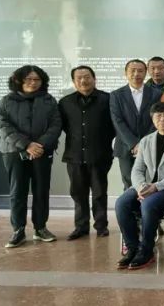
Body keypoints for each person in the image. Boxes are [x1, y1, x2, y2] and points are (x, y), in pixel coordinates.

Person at [114, 102, 164, 270]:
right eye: (158, 116)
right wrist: (141, 187)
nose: (162, 119)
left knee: (148, 204)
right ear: (153, 119)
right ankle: (133, 248)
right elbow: (137, 170)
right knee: (121, 203)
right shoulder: (146, 140)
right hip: (145, 186)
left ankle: (146, 250)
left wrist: (156, 187)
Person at [0, 65, 62, 247]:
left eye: (37, 79)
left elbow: (56, 125)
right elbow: (2, 125)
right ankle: (18, 230)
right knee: (18, 191)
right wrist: (26, 145)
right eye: (28, 79)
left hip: (42, 151)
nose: (33, 82)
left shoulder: (49, 100)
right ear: (19, 80)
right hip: (14, 152)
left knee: (41, 190)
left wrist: (39, 145)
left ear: (42, 81)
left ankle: (40, 228)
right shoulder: (6, 100)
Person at [58, 66, 115, 241]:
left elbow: (114, 126)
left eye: (87, 77)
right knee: (78, 193)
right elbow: (64, 126)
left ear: (94, 78)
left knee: (99, 193)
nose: (83, 81)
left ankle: (101, 226)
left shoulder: (107, 99)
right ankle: (81, 227)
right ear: (74, 81)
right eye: (79, 78)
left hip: (99, 155)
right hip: (74, 155)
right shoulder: (65, 102)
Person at [111, 59, 163, 190]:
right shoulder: (116, 95)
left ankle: (146, 204)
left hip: (150, 146)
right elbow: (117, 121)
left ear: (146, 73)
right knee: (129, 183)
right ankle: (129, 204)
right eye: (132, 71)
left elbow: (156, 120)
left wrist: (143, 143)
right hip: (125, 147)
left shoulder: (156, 94)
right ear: (126, 73)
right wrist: (134, 144)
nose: (136, 74)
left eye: (140, 71)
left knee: (149, 182)